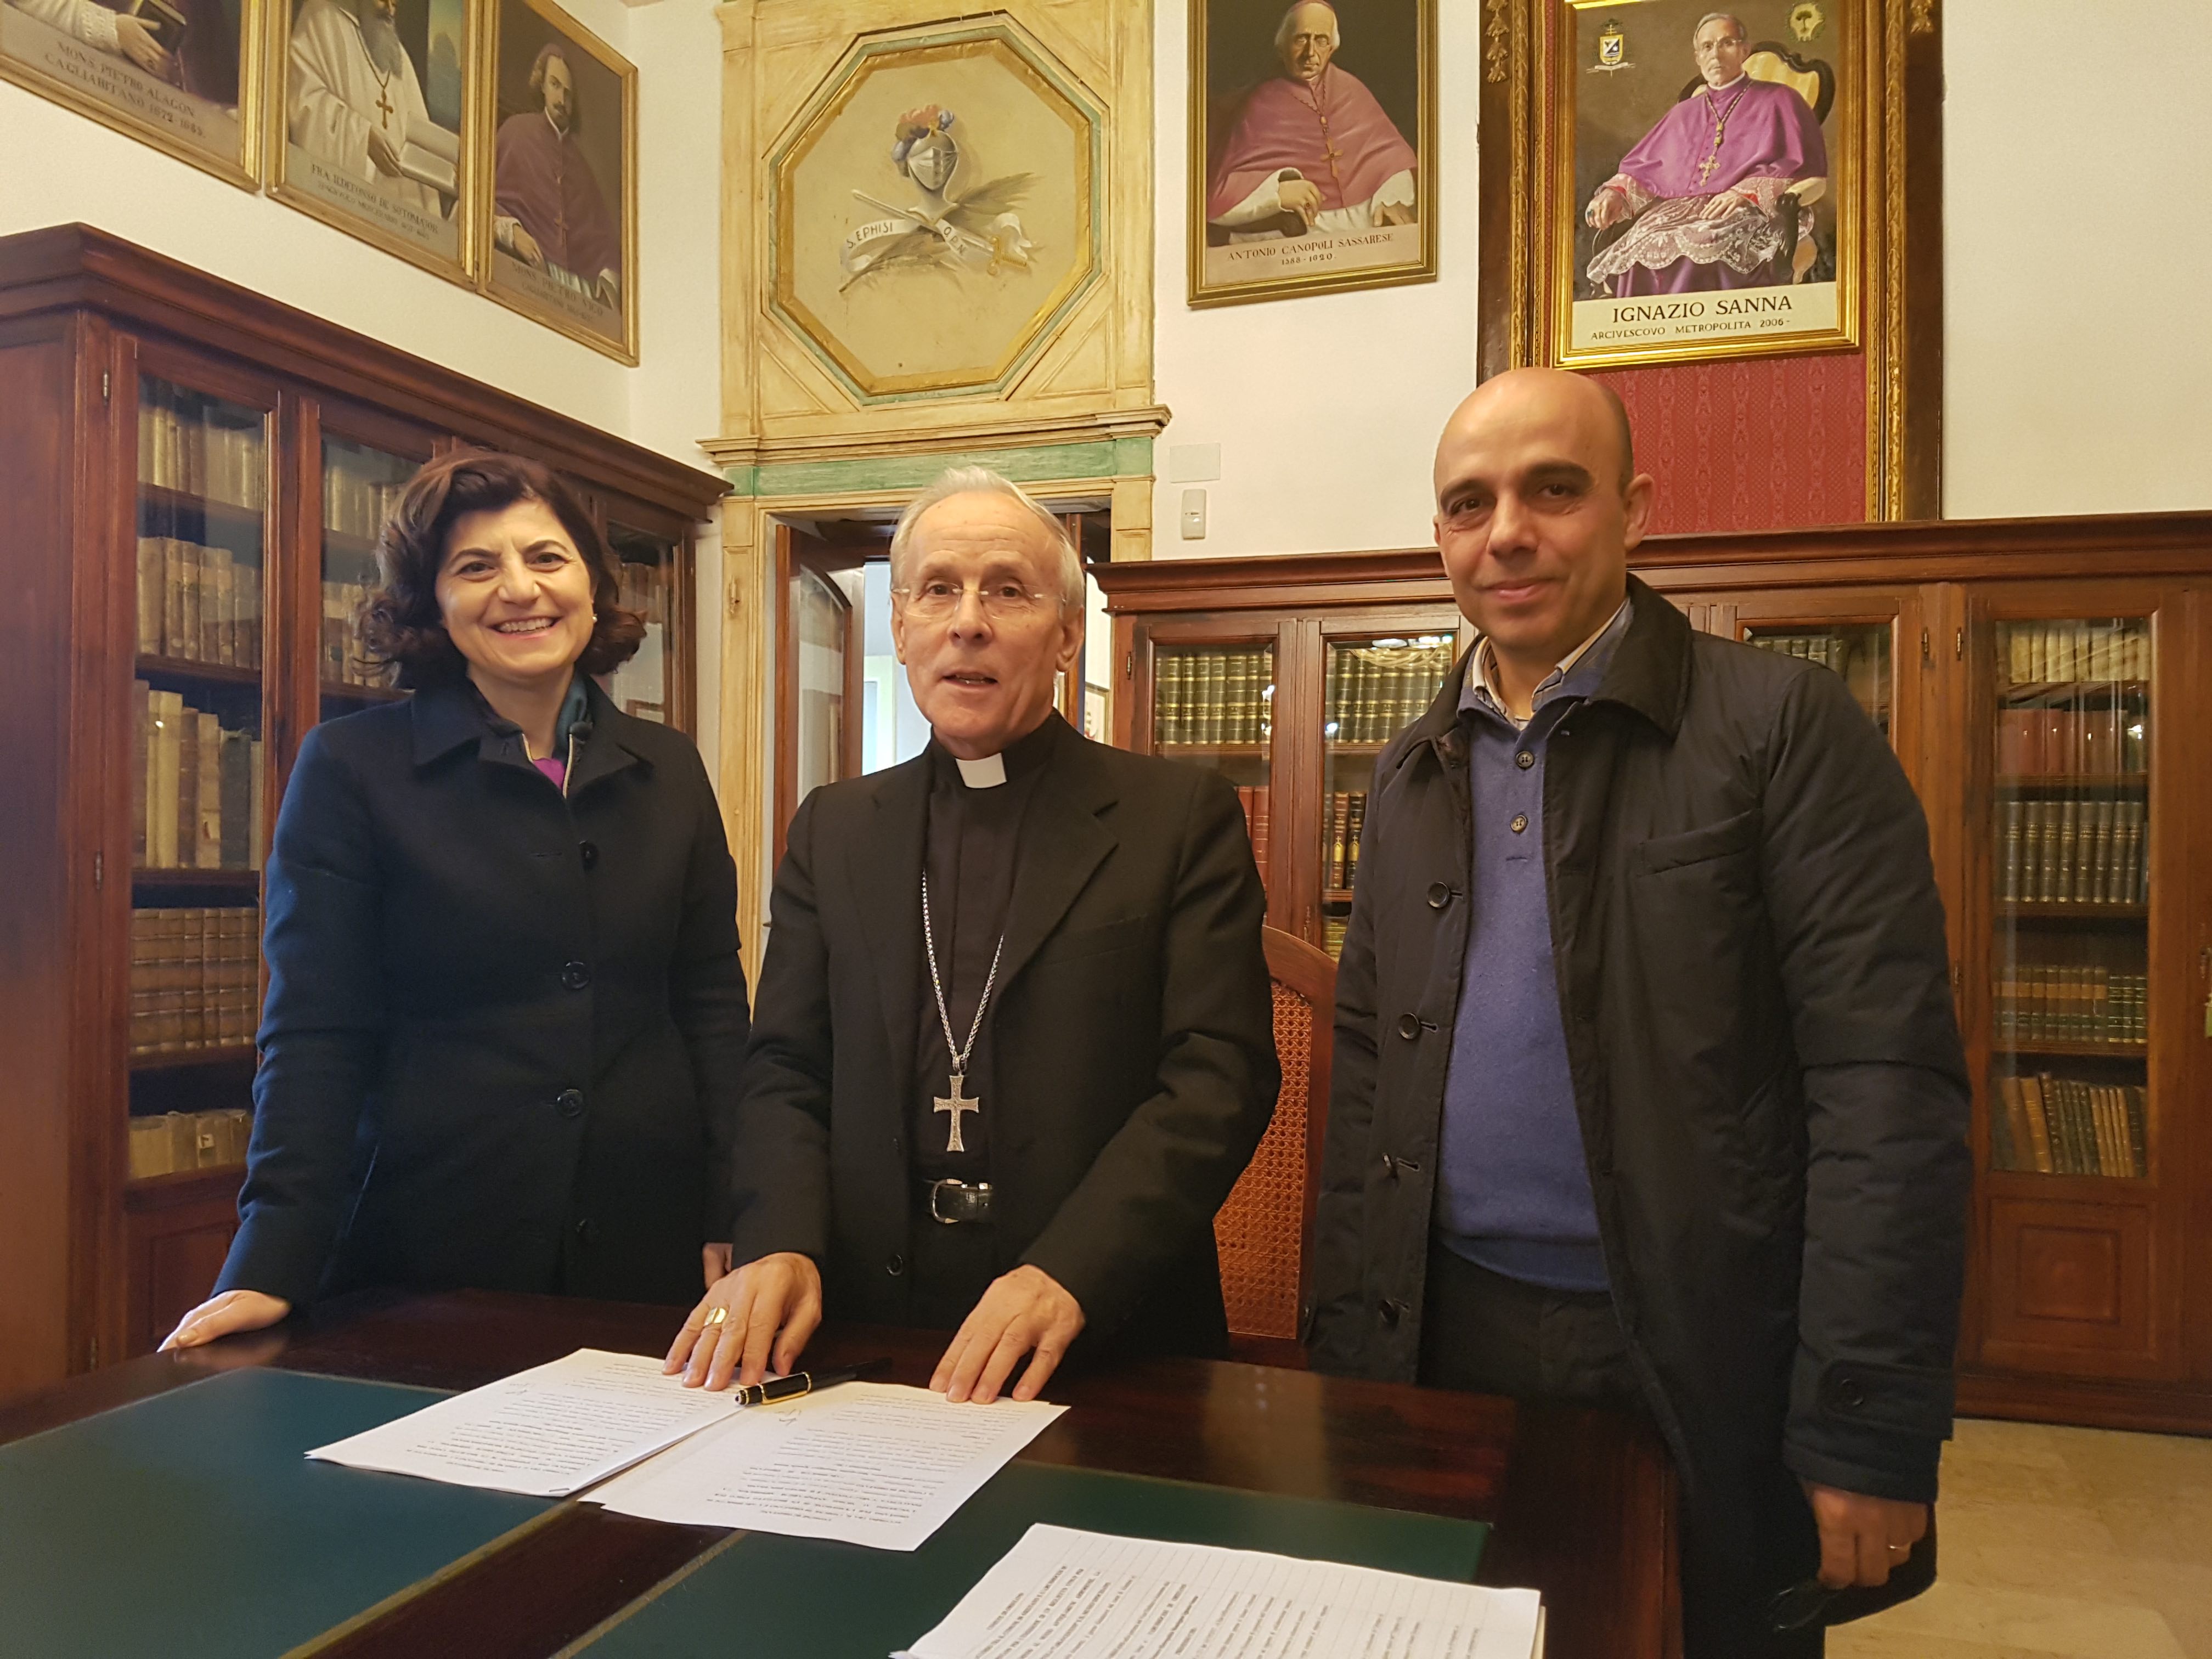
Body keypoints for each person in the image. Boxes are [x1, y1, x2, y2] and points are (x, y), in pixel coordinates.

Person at [1307, 368, 1970, 1656]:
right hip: (1442, 1328)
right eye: (1470, 503)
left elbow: (1885, 1088)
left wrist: (1866, 1424)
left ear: (1634, 510)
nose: (1508, 532)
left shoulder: (1782, 729)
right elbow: (1370, 1077)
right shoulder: (1408, 771)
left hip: (1700, 1345)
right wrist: (1346, 1365)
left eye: (1553, 490)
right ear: (1440, 537)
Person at [664, 466, 1278, 1405]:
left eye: (1008, 590)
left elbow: (1216, 1077)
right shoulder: (835, 827)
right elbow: (786, 1063)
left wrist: (1071, 1270)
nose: (968, 622)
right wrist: (781, 1237)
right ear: (902, 625)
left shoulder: (1175, 816)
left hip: (1102, 1330)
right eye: (938, 589)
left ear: (1067, 635)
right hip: (869, 1326)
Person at [162, 452, 749, 1352]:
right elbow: (315, 1031)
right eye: (476, 567)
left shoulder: (670, 768)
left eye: (546, 558)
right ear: (432, 604)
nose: (520, 589)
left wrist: (737, 1204)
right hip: (430, 1243)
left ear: (594, 586)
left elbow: (709, 1000)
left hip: (649, 1240)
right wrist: (270, 1258)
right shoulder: (351, 767)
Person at [1584, 12, 1826, 296]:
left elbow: (1803, 169)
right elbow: (1648, 168)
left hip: (1750, 208)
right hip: (1681, 211)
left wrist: (1744, 194)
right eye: (1707, 47)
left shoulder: (1781, 99)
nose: (1716, 55)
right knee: (1640, 247)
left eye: (1727, 43)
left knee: (1704, 242)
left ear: (1745, 50)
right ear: (1698, 57)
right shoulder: (1683, 113)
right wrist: (1614, 193)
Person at [1206, 1, 1418, 242]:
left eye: (1321, 40)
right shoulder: (1260, 103)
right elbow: (1216, 198)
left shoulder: (1351, 89)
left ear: (1332, 48)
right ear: (1282, 47)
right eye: (1301, 40)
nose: (1310, 53)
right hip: (1295, 240)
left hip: (1366, 229)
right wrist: (1277, 193)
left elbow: (1391, 153)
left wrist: (1390, 195)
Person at [493, 42, 622, 306]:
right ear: (541, 85)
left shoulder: (581, 167)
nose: (562, 101)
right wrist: (513, 232)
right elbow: (478, 194)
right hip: (516, 272)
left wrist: (607, 279)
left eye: (568, 94)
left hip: (573, 292)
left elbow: (604, 241)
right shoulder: (515, 132)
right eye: (555, 85)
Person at [287, 0, 440, 214]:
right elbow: (304, 102)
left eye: (395, 2)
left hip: (399, 211)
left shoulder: (398, 56)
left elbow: (423, 136)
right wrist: (363, 138)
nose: (391, 8)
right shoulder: (321, 19)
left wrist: (446, 166)